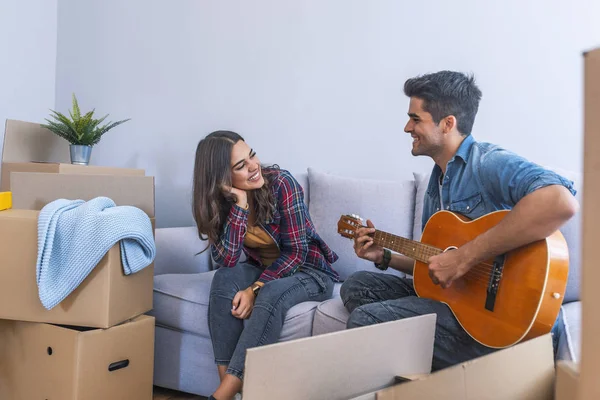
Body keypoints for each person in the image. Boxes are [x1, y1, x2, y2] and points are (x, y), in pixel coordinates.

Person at [340, 70, 579, 371]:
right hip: (461, 305)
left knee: (367, 320)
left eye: (416, 119)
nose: (406, 127)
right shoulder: (436, 184)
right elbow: (438, 263)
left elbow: (561, 202)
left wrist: (464, 258)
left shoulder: (487, 162)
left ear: (447, 123)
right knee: (357, 285)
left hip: (507, 325)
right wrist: (383, 255)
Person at [192, 130, 340, 400]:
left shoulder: (282, 183)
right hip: (265, 269)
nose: (253, 166)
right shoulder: (227, 201)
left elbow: (297, 252)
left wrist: (255, 289)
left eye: (251, 155)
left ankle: (221, 396)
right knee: (223, 279)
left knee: (270, 294)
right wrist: (240, 207)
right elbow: (225, 260)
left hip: (310, 271)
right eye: (240, 166)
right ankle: (231, 389)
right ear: (223, 180)